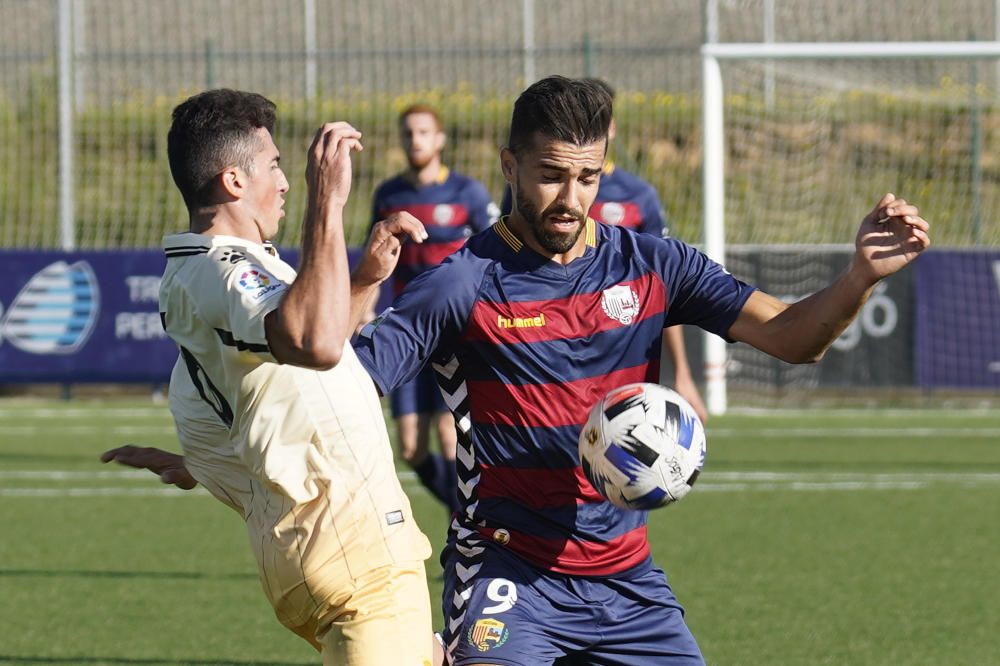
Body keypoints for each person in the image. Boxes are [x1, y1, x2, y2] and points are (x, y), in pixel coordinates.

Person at [351, 75, 930, 665]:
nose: (570, 199)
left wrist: (860, 277)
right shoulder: (460, 283)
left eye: (588, 177)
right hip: (508, 575)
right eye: (551, 174)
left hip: (628, 584)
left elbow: (791, 337)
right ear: (510, 165)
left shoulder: (653, 264)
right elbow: (343, 389)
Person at [104, 88, 438, 666]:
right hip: (357, 556)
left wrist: (361, 282)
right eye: (276, 166)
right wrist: (326, 202)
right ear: (234, 181)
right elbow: (314, 342)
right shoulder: (223, 266)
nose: (285, 182)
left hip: (326, 553)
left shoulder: (224, 271)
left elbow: (297, 368)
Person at [498, 78, 707, 422]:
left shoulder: (638, 195)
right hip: (539, 338)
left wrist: (680, 372)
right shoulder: (531, 183)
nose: (569, 199)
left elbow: (663, 289)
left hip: (618, 349)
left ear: (611, 127)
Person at [368, 104, 499, 514]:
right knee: (409, 446)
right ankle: (467, 515)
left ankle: (470, 525)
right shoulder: (389, 195)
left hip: (456, 332)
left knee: (450, 434)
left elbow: (496, 251)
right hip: (409, 331)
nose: (415, 140)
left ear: (439, 139)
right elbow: (378, 258)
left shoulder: (468, 193)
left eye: (424, 132)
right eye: (408, 133)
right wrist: (365, 308)